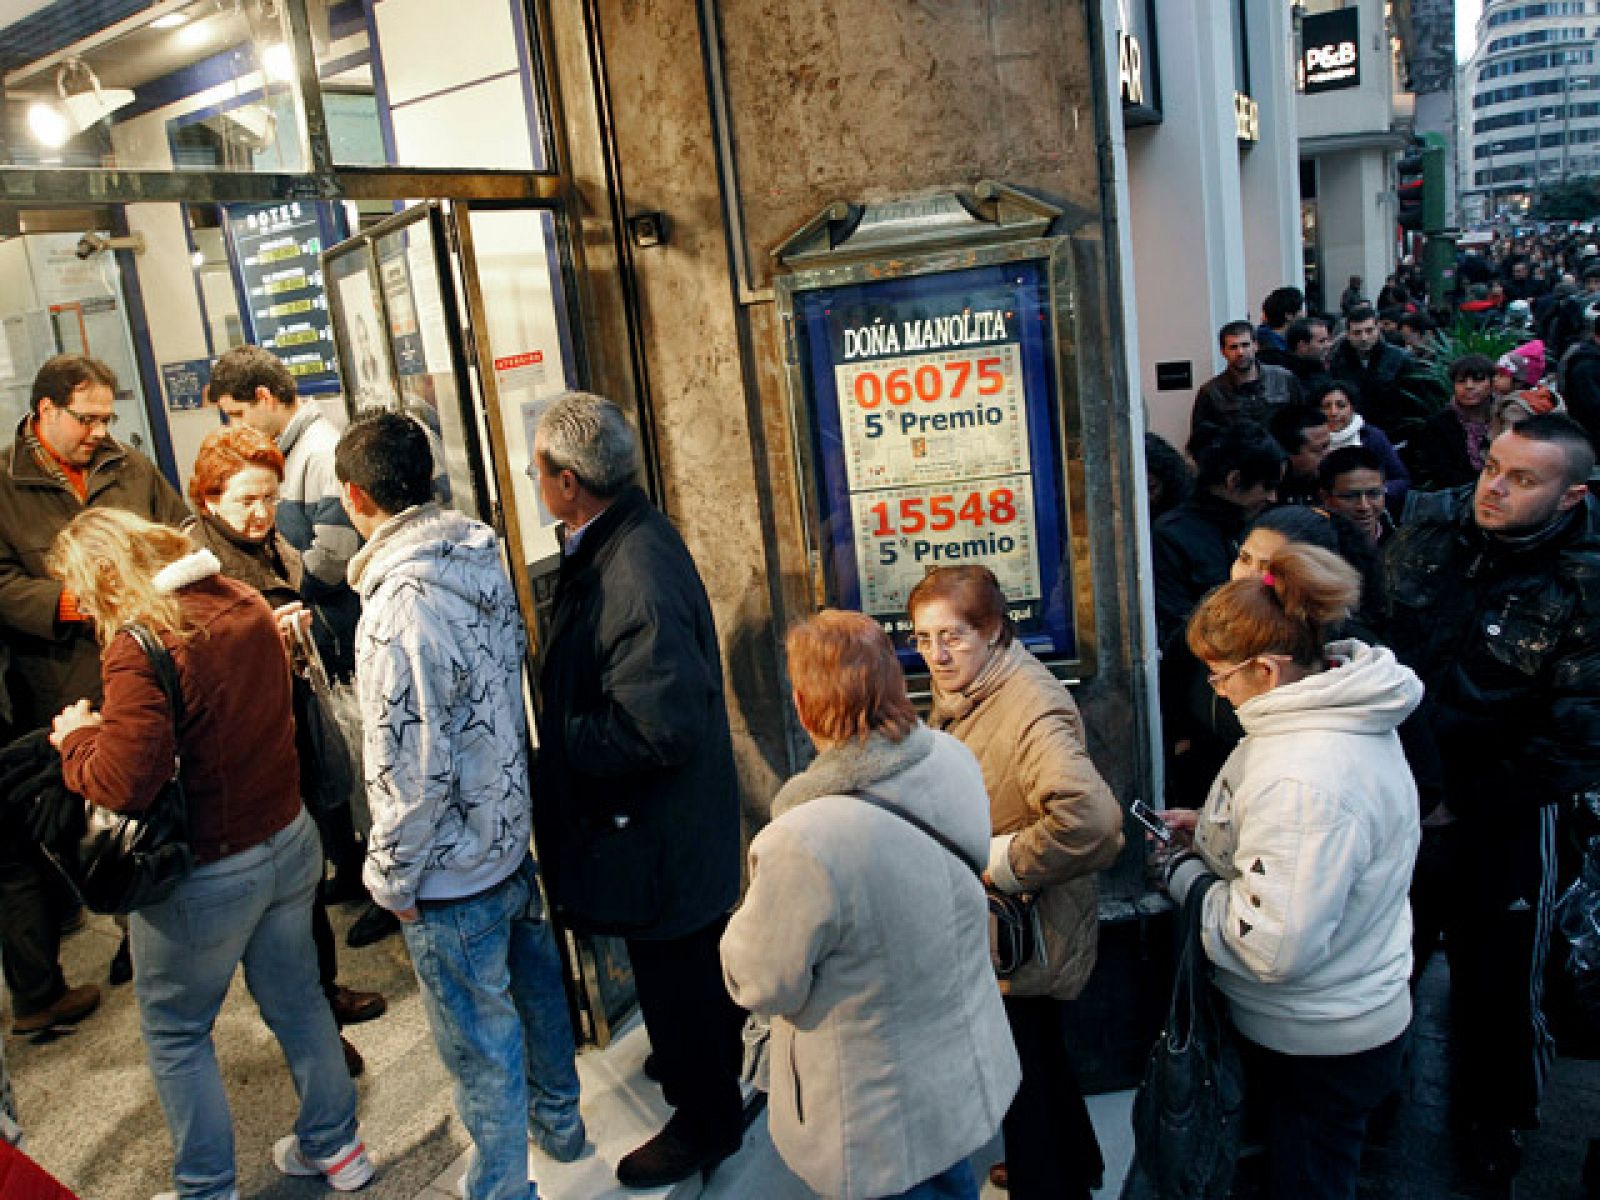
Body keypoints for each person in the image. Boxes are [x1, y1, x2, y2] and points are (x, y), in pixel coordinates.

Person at [47, 509, 371, 1199]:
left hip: (208, 871)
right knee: (300, 1000)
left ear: (107, 576)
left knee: (175, 1031)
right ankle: (339, 1147)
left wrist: (77, 738)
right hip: (287, 840)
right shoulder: (242, 598)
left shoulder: (143, 642)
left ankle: (206, 1188)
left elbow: (122, 783)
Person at [333, 412, 583, 1200]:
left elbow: (411, 768)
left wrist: (390, 879)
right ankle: (564, 1129)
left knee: (481, 1051)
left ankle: (504, 1189)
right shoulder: (476, 553)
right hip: (509, 840)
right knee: (540, 1005)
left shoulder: (395, 608)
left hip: (450, 875)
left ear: (353, 496)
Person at [720, 610, 1020, 1200]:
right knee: (950, 1176)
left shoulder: (802, 841)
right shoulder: (950, 758)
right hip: (957, 1071)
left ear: (805, 709)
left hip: (872, 1112)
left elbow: (762, 985)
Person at [528, 392, 746, 1188]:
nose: (532, 477)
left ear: (568, 483)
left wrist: (559, 747)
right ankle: (703, 1069)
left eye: (539, 468)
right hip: (665, 828)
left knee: (677, 971)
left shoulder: (634, 569)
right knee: (685, 974)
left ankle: (707, 1120)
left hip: (661, 832)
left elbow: (656, 727)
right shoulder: (620, 540)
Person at [1163, 542, 1422, 1200]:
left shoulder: (1302, 776)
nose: (1215, 690)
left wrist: (1186, 878)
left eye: (1220, 676)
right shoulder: (1339, 714)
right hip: (1348, 1012)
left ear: (1268, 672)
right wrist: (1219, 834)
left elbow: (1272, 945)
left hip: (1316, 1040)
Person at [1384, 414, 1600, 1187]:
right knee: (1383, 958)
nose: (1496, 489)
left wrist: (1462, 803)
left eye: (1524, 479)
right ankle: (1377, 1103)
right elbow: (1379, 631)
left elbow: (1576, 738)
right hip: (1395, 794)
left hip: (1502, 815)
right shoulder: (1432, 527)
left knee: (1500, 987)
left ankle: (1495, 1126)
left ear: (1571, 495)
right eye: (1493, 469)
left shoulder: (1584, 580)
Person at [907, 568, 1122, 1200]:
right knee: (1037, 1054)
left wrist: (1000, 861)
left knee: (1018, 1066)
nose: (936, 655)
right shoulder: (978, 688)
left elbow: (1095, 824)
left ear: (995, 629)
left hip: (1026, 927)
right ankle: (1068, 1164)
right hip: (1015, 927)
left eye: (954, 636)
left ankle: (1048, 1182)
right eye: (922, 638)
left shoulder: (1028, 703)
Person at [185, 426, 386, 1075]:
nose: (261, 512)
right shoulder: (199, 571)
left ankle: (323, 996)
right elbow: (195, 675)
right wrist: (262, 640)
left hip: (288, 726)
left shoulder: (268, 545)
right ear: (208, 496)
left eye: (270, 498)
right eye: (246, 498)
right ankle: (314, 1026)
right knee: (281, 912)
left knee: (302, 886)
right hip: (242, 758)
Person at [0, 355, 189, 1033]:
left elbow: (177, 529)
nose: (99, 431)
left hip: (141, 664)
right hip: (59, 683)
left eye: (108, 417)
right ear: (44, 411)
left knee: (143, 803)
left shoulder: (128, 466)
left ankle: (143, 938)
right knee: (72, 821)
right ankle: (82, 944)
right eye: (87, 418)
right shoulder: (3, 483)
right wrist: (69, 602)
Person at [208, 346, 388, 947]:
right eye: (246, 502)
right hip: (310, 638)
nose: (233, 426)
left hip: (329, 631)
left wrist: (293, 591)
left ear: (264, 397)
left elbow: (333, 555)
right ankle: (353, 869)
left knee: (357, 763)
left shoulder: (317, 452)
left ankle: (376, 879)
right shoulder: (285, 459)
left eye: (235, 413)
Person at [1153, 425, 1285, 808]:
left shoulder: (1262, 526)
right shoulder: (1174, 537)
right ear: (1234, 482)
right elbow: (1177, 631)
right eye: (1267, 486)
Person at [1328, 304, 1439, 447]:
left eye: (1369, 331)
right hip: (1353, 437)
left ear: (1378, 329)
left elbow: (1416, 402)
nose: (1364, 338)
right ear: (1348, 335)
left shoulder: (1401, 359)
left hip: (1395, 438)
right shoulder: (1338, 361)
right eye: (1357, 333)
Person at [1190, 321, 1303, 448]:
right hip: (1237, 462)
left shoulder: (1284, 379)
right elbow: (1201, 439)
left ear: (1255, 346)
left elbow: (1303, 422)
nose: (1240, 352)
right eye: (1233, 347)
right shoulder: (1211, 392)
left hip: (1282, 457)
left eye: (1245, 345)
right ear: (1223, 351)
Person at [1312, 380, 1409, 512]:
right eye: (1326, 406)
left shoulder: (1372, 437)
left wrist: (1375, 493)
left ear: (1352, 407)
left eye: (1341, 406)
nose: (1333, 412)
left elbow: (1401, 480)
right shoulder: (1312, 440)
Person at [1405, 354, 1496, 492]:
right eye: (1461, 381)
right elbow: (1443, 474)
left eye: (1477, 380)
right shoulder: (1438, 425)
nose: (1469, 386)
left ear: (1492, 383)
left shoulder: (1507, 417)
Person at [1319, 445, 1395, 546]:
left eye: (1374, 494)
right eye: (1350, 496)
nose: (1364, 506)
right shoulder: (1313, 553)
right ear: (1326, 497)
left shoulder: (1404, 542)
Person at [1268, 405, 1333, 506]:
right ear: (1288, 452)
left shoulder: (1335, 483)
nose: (1329, 454)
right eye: (1319, 449)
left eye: (1328, 445)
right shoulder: (1266, 493)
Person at [1255, 287, 1305, 370]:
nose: (1303, 315)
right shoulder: (1272, 351)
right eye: (1300, 310)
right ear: (1288, 315)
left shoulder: (1263, 339)